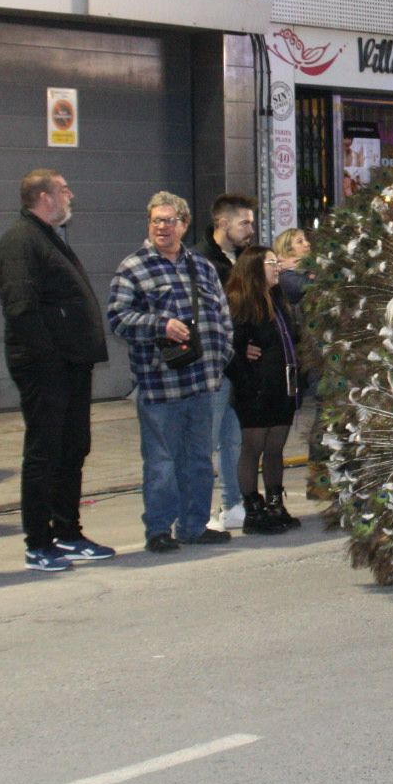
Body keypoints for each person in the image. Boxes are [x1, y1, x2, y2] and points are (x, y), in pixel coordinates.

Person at [0, 169, 112, 572]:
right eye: (64, 190)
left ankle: (68, 533)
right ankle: (38, 542)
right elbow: (21, 309)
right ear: (44, 197)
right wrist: (50, 360)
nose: (70, 195)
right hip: (48, 368)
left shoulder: (49, 238)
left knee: (73, 447)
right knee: (45, 452)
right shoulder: (21, 241)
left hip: (70, 365)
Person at [107, 192, 236, 553]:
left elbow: (222, 315)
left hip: (203, 383)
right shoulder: (133, 267)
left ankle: (194, 526)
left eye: (169, 221)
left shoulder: (202, 266)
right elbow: (117, 318)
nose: (162, 227)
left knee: (198, 460)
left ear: (184, 224)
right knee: (162, 463)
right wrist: (160, 325)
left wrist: (222, 352)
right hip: (160, 387)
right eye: (155, 221)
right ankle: (159, 530)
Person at [223, 247, 302, 535]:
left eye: (277, 262)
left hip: (283, 387)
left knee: (274, 449)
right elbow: (230, 348)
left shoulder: (278, 300)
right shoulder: (241, 302)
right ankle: (252, 510)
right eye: (271, 263)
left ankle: (274, 504)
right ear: (255, 268)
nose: (277, 267)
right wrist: (243, 358)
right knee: (253, 448)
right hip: (255, 390)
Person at [201, 193, 256, 529]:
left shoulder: (243, 259)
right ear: (222, 223)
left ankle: (233, 504)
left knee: (232, 439)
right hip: (214, 367)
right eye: (244, 222)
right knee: (205, 442)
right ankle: (198, 510)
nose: (250, 229)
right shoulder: (203, 262)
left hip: (239, 369)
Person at [271, 227, 312, 310]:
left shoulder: (299, 271)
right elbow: (316, 284)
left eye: (305, 240)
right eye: (300, 242)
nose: (307, 244)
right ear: (288, 250)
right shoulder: (286, 277)